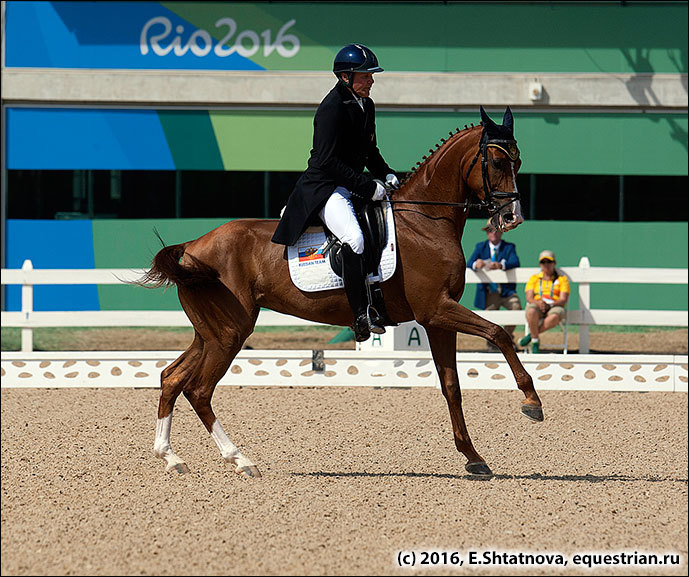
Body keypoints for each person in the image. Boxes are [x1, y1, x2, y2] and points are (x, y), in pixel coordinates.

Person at [271, 44, 399, 342]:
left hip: (349, 184)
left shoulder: (366, 105)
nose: (371, 81)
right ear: (345, 77)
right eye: (365, 76)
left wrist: (386, 173)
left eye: (371, 76)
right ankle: (360, 314)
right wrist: (367, 186)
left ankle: (379, 299)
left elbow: (369, 151)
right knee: (353, 239)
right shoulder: (331, 108)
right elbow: (326, 161)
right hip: (324, 187)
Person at [467, 219, 522, 347]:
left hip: (506, 291)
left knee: (516, 308)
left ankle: (504, 340)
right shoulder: (480, 247)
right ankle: (492, 342)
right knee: (489, 316)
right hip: (490, 292)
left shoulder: (509, 247)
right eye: (491, 230)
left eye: (496, 230)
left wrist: (501, 265)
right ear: (487, 233)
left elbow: (515, 262)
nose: (494, 233)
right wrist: (477, 264)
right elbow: (470, 263)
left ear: (501, 232)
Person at [519, 250, 570, 353]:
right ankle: (535, 341)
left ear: (554, 263)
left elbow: (563, 299)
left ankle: (531, 336)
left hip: (554, 305)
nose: (546, 265)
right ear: (540, 264)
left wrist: (550, 304)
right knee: (531, 311)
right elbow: (529, 297)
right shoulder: (534, 278)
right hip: (538, 304)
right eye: (543, 262)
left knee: (555, 316)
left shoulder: (562, 279)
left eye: (549, 262)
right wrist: (539, 303)